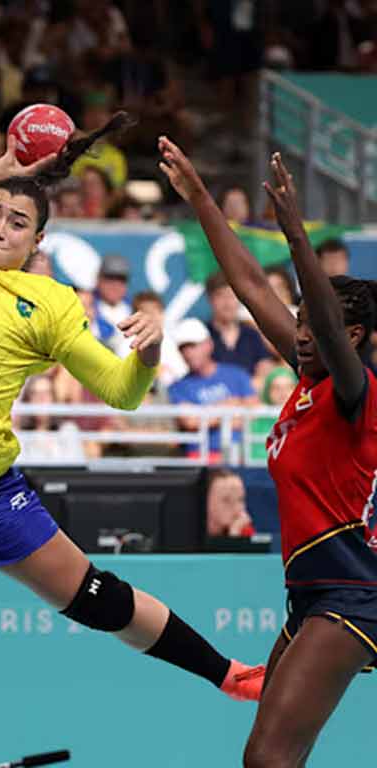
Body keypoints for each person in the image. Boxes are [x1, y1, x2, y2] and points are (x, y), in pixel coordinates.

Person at [0, 120, 264, 715]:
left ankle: (229, 674)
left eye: (18, 222)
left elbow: (121, 392)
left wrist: (148, 352)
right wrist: (5, 169)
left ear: (37, 241)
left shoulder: (50, 304)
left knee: (95, 597)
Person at [159, 137, 377, 767]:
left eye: (316, 324)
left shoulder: (355, 393)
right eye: (300, 321)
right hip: (312, 592)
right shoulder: (309, 380)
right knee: (277, 754)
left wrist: (295, 235)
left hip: (353, 591)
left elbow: (329, 330)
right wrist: (200, 196)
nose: (302, 333)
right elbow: (252, 286)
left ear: (353, 335)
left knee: (268, 760)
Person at [168, 317, 257, 463]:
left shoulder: (237, 374)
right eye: (183, 348)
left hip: (243, 454)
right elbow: (190, 422)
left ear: (209, 345)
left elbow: (253, 414)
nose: (188, 352)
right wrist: (229, 407)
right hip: (201, 457)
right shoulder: (178, 387)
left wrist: (204, 414)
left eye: (193, 345)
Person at [205, 468, 256, 538]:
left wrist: (235, 535)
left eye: (240, 499)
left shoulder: (242, 529)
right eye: (226, 500)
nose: (237, 508)